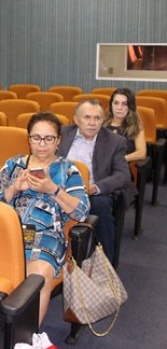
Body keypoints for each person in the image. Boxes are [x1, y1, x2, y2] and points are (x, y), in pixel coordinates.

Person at [0, 111, 90, 325]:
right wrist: (14, 189)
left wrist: (53, 189)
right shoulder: (13, 165)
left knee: (39, 274)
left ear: (58, 141)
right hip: (9, 232)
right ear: (29, 139)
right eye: (36, 138)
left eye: (48, 138)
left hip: (46, 236)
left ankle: (26, 336)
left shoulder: (67, 170)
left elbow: (81, 212)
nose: (42, 144)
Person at [57, 99, 136, 264]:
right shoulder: (62, 134)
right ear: (76, 119)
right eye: (87, 117)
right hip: (60, 188)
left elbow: (123, 175)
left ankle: (106, 264)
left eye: (97, 118)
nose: (92, 123)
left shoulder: (115, 141)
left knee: (100, 206)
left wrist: (94, 188)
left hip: (93, 192)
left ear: (103, 120)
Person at [104, 88, 146, 162]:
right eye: (116, 103)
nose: (119, 108)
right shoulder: (102, 124)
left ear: (130, 107)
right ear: (111, 105)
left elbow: (141, 153)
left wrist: (119, 160)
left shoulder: (136, 126)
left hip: (122, 166)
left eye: (124, 104)